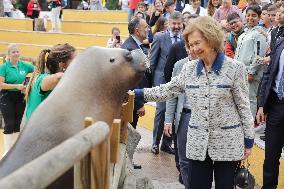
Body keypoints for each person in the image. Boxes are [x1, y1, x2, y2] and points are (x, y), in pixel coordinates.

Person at [135, 16, 254, 189]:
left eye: (197, 43)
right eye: (190, 45)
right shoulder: (189, 68)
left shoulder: (235, 68)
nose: (193, 49)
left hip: (228, 141)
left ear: (212, 39)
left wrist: (249, 140)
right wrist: (139, 94)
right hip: (198, 143)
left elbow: (244, 107)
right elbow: (168, 89)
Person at [150, 11, 184, 155]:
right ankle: (155, 143)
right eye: (174, 23)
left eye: (179, 24)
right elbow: (152, 62)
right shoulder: (160, 37)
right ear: (169, 23)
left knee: (175, 112)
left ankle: (166, 143)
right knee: (162, 111)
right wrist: (153, 83)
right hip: (162, 80)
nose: (176, 26)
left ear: (182, 24)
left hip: (178, 82)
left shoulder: (185, 39)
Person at [256, 36, 284, 189]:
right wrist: (261, 106)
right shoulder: (280, 42)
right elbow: (268, 74)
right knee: (271, 156)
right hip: (276, 105)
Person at [25, 43, 76, 121]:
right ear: (62, 65)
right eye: (75, 60)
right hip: (37, 130)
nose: (78, 63)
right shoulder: (43, 79)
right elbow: (58, 77)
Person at [0, 44, 34, 156]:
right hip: (6, 96)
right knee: (9, 123)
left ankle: (14, 151)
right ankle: (7, 151)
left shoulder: (24, 66)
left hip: (20, 96)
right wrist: (16, 86)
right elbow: (1, 84)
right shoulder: (4, 67)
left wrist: (29, 85)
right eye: (14, 52)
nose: (16, 54)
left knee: (17, 124)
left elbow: (37, 70)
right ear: (9, 54)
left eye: (17, 51)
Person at [235, 4, 267, 119]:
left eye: (254, 16)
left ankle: (250, 126)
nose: (250, 18)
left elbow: (259, 55)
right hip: (240, 72)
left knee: (250, 99)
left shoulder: (259, 34)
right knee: (240, 99)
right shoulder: (243, 34)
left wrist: (251, 72)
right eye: (248, 15)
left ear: (259, 18)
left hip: (250, 74)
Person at [121, 17, 149, 129]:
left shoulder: (136, 46)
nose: (148, 29)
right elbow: (131, 79)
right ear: (137, 31)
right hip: (131, 103)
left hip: (133, 100)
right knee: (128, 135)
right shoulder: (130, 49)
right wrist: (139, 103)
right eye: (146, 27)